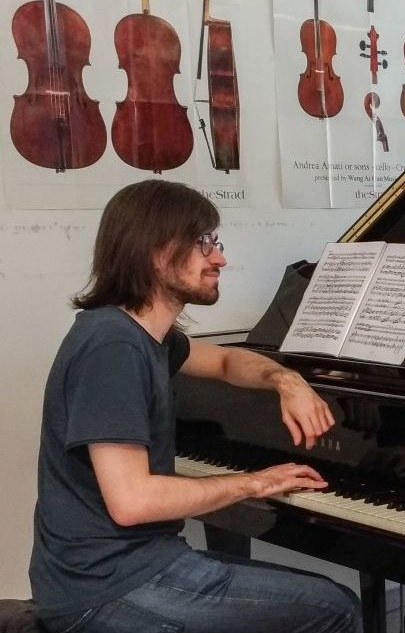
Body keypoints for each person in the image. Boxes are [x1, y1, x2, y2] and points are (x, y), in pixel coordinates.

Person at [29, 180, 361, 633]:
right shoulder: (112, 347)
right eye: (204, 244)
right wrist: (253, 482)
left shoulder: (146, 337)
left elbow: (226, 360)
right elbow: (133, 502)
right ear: (157, 252)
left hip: (127, 568)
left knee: (316, 597)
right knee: (335, 605)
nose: (220, 258)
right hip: (105, 590)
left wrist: (287, 379)